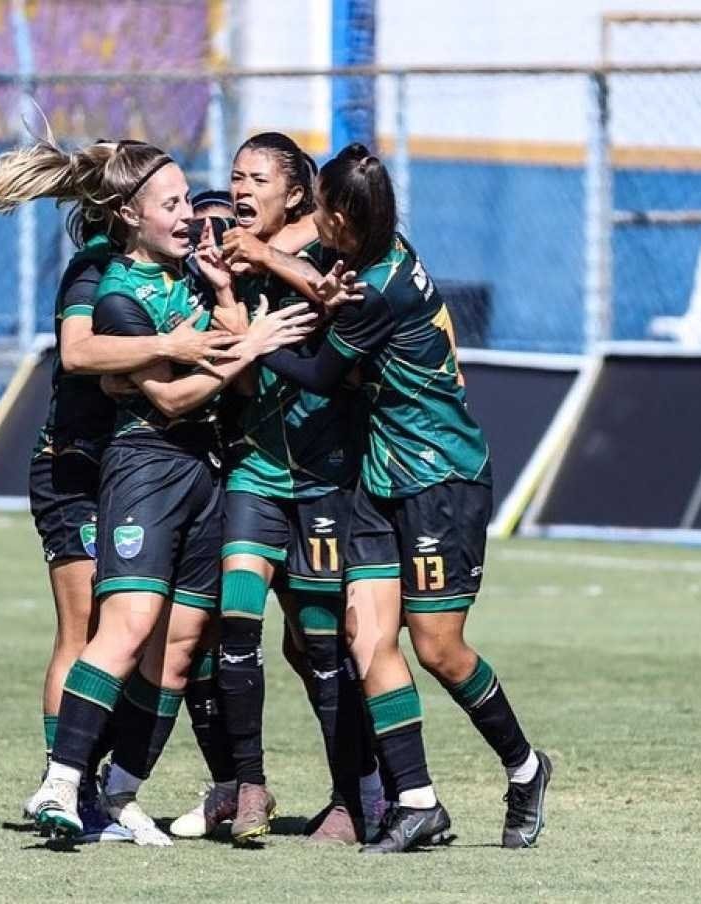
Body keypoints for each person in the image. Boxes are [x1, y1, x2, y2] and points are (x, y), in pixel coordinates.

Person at [8, 138, 313, 843]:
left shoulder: (195, 273)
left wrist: (232, 304)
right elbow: (119, 373)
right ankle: (65, 783)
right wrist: (210, 346)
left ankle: (115, 794)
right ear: (128, 214)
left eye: (189, 200)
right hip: (119, 466)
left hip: (203, 472)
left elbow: (227, 362)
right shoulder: (109, 285)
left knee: (180, 642)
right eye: (174, 203)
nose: (193, 214)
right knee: (109, 626)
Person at [259, 143, 552, 854]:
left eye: (318, 212)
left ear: (339, 218)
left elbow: (321, 373)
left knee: (439, 649)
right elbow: (307, 257)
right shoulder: (375, 252)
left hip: (438, 477)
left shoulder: (375, 290)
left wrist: (248, 340)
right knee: (367, 638)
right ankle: (418, 801)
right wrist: (266, 252)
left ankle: (527, 766)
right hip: (381, 475)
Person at [194, 132, 382, 846]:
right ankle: (250, 787)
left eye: (256, 178)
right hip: (258, 471)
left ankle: (352, 795)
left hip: (325, 479)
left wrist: (269, 262)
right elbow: (242, 378)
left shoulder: (329, 252)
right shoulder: (234, 257)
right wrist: (229, 307)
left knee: (321, 647)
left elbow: (342, 307)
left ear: (296, 193)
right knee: (236, 620)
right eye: (235, 176)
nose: (240, 190)